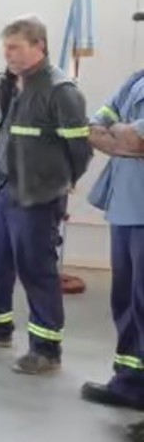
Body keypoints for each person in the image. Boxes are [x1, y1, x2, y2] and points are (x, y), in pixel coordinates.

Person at [0, 15, 92, 375]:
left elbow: (80, 148)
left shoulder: (61, 91)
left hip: (37, 195)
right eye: (5, 48)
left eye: (15, 47)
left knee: (36, 269)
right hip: (3, 187)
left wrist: (63, 180)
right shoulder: (8, 83)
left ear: (39, 46)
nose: (8, 54)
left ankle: (46, 350)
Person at [81, 68, 144, 409]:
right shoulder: (136, 79)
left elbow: (135, 139)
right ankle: (129, 382)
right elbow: (93, 128)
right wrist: (126, 137)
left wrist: (122, 134)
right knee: (126, 301)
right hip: (124, 207)